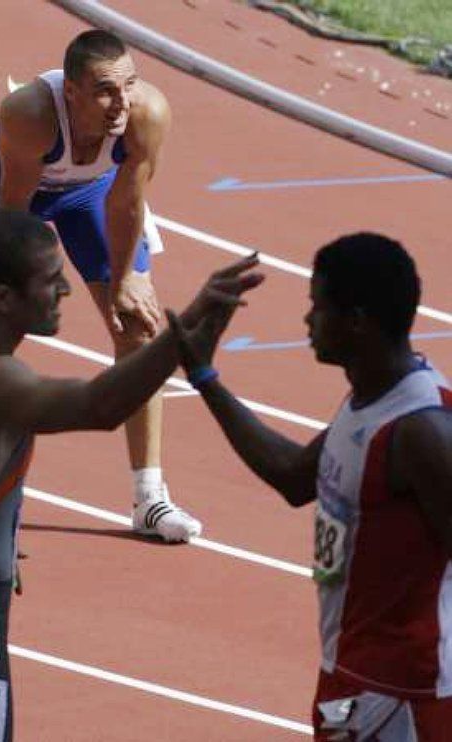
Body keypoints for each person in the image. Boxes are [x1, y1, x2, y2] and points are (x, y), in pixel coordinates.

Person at [0, 208, 263, 742]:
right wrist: (183, 334)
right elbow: (99, 406)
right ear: (3, 297)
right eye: (50, 281)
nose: (66, 291)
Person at [168, 232, 452, 740]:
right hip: (353, 672)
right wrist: (205, 377)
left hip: (404, 693)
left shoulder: (419, 432)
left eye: (318, 307)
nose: (307, 322)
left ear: (358, 322)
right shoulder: (369, 401)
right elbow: (294, 476)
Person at [0, 29, 194, 541]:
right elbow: (14, 222)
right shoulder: (29, 116)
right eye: (104, 90)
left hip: (92, 193)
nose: (121, 103)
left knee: (138, 328)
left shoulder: (146, 114)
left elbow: (127, 202)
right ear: (70, 91)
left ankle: (149, 497)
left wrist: (125, 280)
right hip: (22, 191)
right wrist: (20, 290)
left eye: (128, 86)